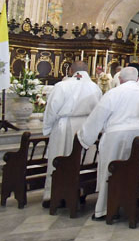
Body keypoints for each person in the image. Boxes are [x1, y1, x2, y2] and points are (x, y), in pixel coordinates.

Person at [78, 67, 139, 220]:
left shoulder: (114, 93)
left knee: (110, 171)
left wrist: (84, 136)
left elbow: (99, 115)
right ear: (137, 78)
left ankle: (106, 209)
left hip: (117, 136)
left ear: (120, 78)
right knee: (134, 171)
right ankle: (131, 202)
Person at [41, 62, 103, 207]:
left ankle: (54, 195)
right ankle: (80, 193)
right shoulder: (95, 87)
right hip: (86, 126)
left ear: (71, 70)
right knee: (82, 160)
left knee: (60, 159)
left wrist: (48, 128)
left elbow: (52, 109)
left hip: (65, 126)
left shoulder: (62, 86)